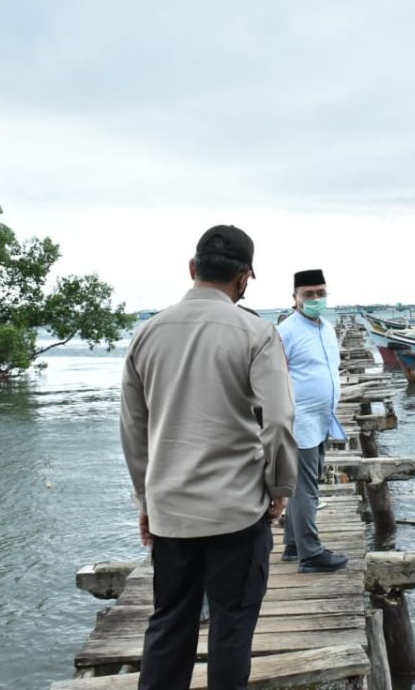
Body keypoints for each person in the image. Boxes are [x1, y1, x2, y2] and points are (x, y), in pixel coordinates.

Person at [120, 224, 299, 690]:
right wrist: (279, 488)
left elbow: (134, 430)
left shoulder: (147, 334)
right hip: (236, 513)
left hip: (172, 512)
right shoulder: (258, 333)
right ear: (245, 278)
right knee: (231, 631)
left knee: (168, 627)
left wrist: (145, 500)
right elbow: (278, 423)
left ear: (193, 268)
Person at [277, 268, 350, 574]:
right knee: (306, 488)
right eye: (309, 294)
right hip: (300, 419)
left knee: (303, 484)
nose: (316, 299)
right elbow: (273, 377)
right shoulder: (285, 332)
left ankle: (293, 545)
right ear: (294, 298)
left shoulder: (328, 329)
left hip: (323, 418)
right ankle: (311, 554)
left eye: (321, 293)